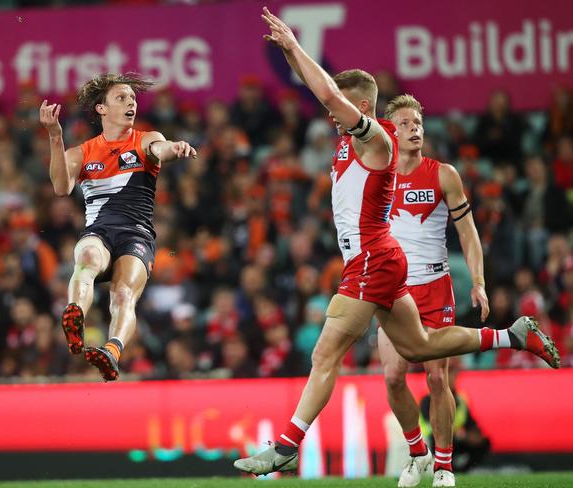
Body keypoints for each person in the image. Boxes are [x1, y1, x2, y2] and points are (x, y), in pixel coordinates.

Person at [234, 7, 559, 476]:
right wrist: (294, 62)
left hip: (370, 260)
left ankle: (287, 445)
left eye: (339, 106)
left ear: (360, 108)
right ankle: (513, 335)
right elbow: (318, 88)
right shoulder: (347, 138)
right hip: (382, 259)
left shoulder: (377, 143)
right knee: (422, 347)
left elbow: (324, 89)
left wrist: (292, 44)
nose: (329, 111)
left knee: (325, 354)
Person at [39, 73, 197, 381]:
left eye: (133, 99)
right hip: (99, 231)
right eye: (121, 98)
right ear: (101, 108)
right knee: (86, 262)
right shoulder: (82, 152)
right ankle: (75, 316)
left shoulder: (146, 139)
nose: (131, 104)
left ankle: (112, 350)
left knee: (124, 293)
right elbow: (61, 187)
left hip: (136, 235)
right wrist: (55, 137)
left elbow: (161, 149)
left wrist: (175, 147)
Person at [381, 94, 489, 488]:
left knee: (437, 380)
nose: (415, 129)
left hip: (434, 287)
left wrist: (478, 282)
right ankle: (417, 455)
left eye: (418, 122)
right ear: (390, 131)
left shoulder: (443, 174)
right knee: (392, 378)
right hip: (390, 290)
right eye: (405, 123)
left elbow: (468, 232)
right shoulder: (377, 175)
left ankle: (444, 467)